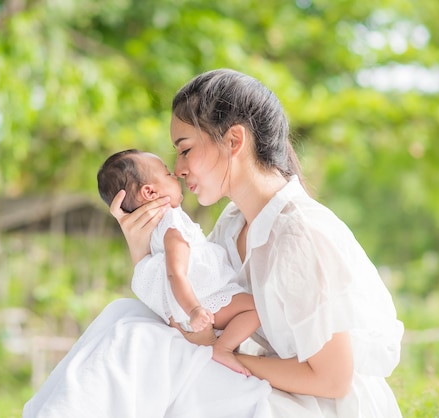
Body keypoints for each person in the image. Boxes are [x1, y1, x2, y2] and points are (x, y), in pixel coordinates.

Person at [23, 69, 404, 418]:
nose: (180, 167)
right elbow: (186, 304)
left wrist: (222, 356)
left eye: (185, 148)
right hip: (259, 385)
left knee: (142, 340)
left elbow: (332, 380)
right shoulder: (234, 222)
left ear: (234, 140)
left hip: (318, 405)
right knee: (126, 316)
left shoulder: (300, 233)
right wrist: (142, 245)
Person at [97, 149, 260, 375]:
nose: (176, 174)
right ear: (150, 192)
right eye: (168, 175)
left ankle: (223, 347)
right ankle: (223, 349)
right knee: (258, 307)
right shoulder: (171, 225)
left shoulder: (159, 228)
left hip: (201, 303)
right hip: (204, 300)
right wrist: (194, 310)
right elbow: (176, 273)